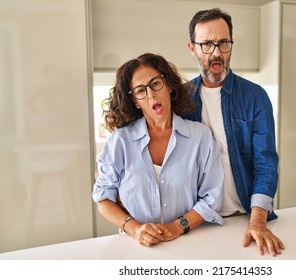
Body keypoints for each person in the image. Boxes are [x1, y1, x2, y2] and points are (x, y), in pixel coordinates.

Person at [92, 53, 224, 247]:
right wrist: (135, 229)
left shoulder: (200, 137)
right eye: (140, 91)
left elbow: (212, 198)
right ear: (135, 101)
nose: (151, 95)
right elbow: (103, 198)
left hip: (190, 241)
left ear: (168, 86)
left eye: (155, 84)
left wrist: (177, 227)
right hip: (136, 247)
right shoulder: (120, 140)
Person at [185, 8, 285, 256]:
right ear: (192, 48)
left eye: (223, 43)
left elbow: (266, 162)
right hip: (199, 221)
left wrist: (258, 221)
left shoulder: (255, 97)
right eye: (207, 44)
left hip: (247, 218)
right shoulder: (181, 100)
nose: (217, 53)